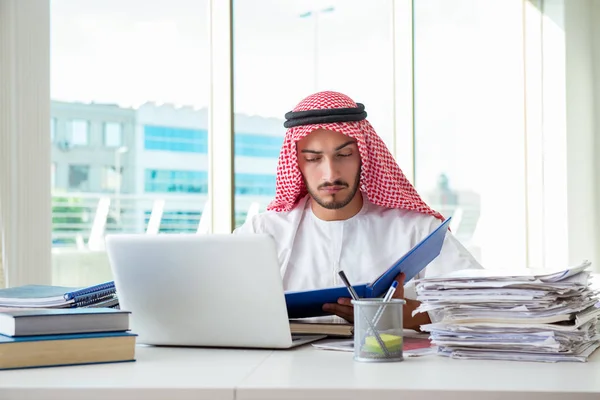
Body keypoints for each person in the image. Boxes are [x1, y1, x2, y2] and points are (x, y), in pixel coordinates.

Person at [234, 91, 482, 330]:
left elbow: (482, 306)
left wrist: (409, 315)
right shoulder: (263, 232)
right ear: (296, 162)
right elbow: (217, 300)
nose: (331, 173)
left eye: (344, 154)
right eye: (313, 159)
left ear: (364, 155)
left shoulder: (418, 230)